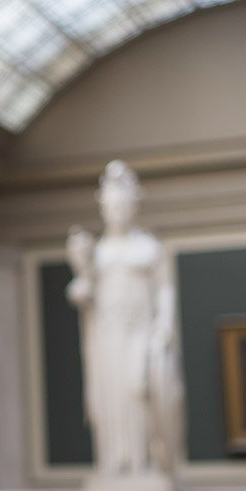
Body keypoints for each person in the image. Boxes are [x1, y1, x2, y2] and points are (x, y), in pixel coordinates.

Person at [66, 160, 183, 475]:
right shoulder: (100, 253)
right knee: (111, 398)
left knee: (140, 391)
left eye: (123, 205)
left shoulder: (148, 248)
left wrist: (163, 328)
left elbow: (165, 291)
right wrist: (81, 284)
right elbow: (85, 288)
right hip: (107, 337)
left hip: (140, 334)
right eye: (112, 206)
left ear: (134, 205)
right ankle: (117, 460)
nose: (117, 212)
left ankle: (144, 460)